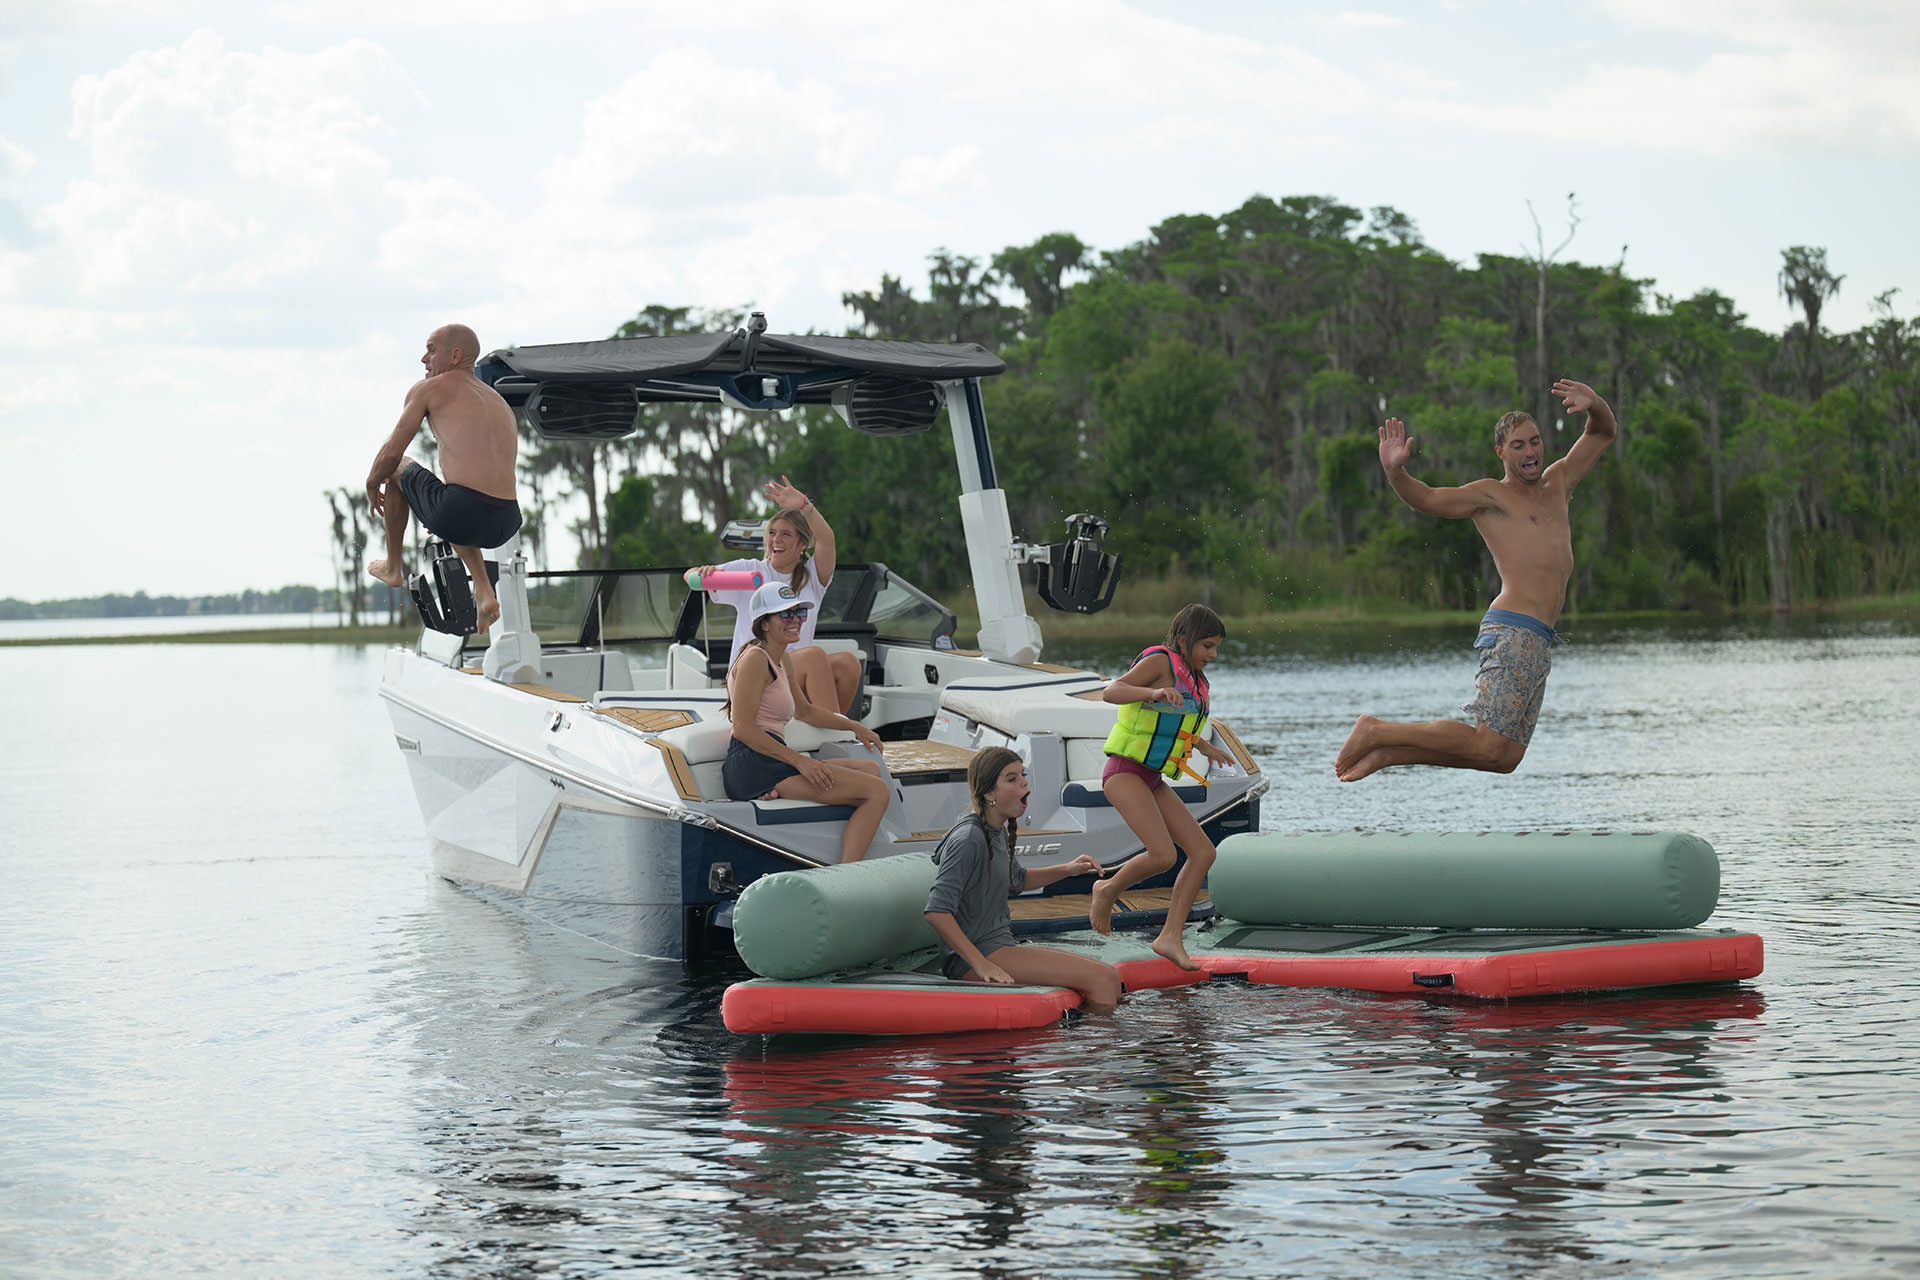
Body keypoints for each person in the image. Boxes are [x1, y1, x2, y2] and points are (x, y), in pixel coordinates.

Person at [1334, 378, 1619, 782]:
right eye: (1518, 445)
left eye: (1534, 441)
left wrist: (1594, 404)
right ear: (1501, 452)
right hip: (1513, 630)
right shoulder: (1491, 496)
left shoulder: (1559, 483)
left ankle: (1389, 754)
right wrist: (1396, 472)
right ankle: (1376, 730)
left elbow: (1603, 432)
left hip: (1539, 638)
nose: (1530, 451)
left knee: (1503, 759)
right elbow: (1427, 499)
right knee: (1487, 741)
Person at [1088, 604, 1237, 970]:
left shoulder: (1193, 678)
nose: (1213, 655)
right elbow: (1112, 691)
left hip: (1152, 778)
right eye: (1207, 646)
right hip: (1124, 772)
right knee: (1163, 856)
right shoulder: (1161, 662)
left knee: (1203, 853)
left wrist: (1206, 747)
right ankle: (1106, 889)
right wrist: (1150, 693)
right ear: (1185, 640)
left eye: (1216, 647)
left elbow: (1178, 723)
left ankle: (1170, 936)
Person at [924, 746, 1123, 1013]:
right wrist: (982, 964)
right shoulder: (969, 839)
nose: (1024, 782)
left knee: (1110, 976)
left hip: (1000, 946)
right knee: (1103, 978)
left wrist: (1068, 869)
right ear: (989, 794)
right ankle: (1097, 1050)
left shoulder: (994, 830)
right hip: (976, 959)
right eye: (1012, 778)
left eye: (1023, 774)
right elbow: (937, 911)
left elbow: (1017, 880)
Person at [366, 324, 522, 632]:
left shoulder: (428, 390)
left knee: (400, 469)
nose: (424, 359)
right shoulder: (497, 401)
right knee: (455, 501)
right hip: (507, 520)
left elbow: (391, 455)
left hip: (461, 512)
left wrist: (371, 483)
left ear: (455, 355)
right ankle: (483, 591)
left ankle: (393, 566)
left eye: (431, 350)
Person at [723, 581, 891, 864]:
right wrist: (802, 762)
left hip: (771, 758)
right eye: (786, 615)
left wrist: (855, 726)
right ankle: (844, 875)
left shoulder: (782, 660)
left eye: (799, 613)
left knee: (870, 768)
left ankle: (829, 851)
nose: (796, 621)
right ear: (764, 623)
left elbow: (806, 712)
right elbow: (742, 728)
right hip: (755, 764)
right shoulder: (754, 659)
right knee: (877, 792)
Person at [694, 476, 863, 713]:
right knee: (814, 657)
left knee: (848, 663)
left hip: (790, 675)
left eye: (786, 534)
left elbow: (827, 540)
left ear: (803, 543)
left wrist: (805, 506)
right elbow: (691, 576)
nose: (776, 539)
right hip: (752, 674)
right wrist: (704, 572)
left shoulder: (812, 577)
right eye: (772, 533)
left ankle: (831, 726)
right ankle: (836, 736)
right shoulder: (750, 570)